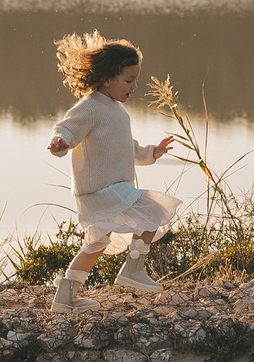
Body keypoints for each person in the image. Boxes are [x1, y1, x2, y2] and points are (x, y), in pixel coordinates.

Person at [45, 32, 178, 308]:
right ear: (107, 79)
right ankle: (132, 271)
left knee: (97, 243)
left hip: (108, 188)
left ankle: (66, 297)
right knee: (153, 210)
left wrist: (151, 152)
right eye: (129, 81)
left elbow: (123, 146)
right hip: (101, 188)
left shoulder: (115, 109)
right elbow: (67, 128)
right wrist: (60, 142)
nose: (134, 86)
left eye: (136, 80)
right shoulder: (91, 106)